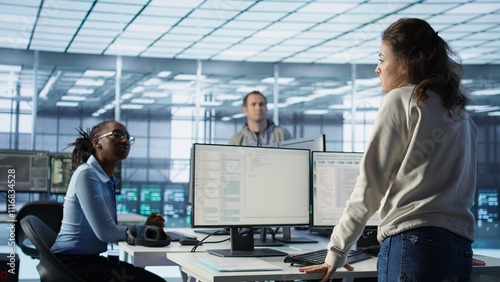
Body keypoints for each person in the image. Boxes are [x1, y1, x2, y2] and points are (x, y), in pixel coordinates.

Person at [299, 18, 483, 281]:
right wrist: (452, 245)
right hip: (459, 247)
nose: (377, 69)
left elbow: (370, 186)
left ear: (407, 61)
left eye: (382, 59)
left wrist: (336, 252)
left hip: (413, 243)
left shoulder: (401, 99)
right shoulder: (458, 112)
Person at [51, 120, 166, 282]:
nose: (125, 140)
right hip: (71, 264)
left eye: (127, 137)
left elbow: (110, 229)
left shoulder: (105, 179)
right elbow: (108, 233)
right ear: (97, 143)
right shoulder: (87, 174)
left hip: (87, 260)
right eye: (117, 135)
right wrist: (146, 230)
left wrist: (146, 227)